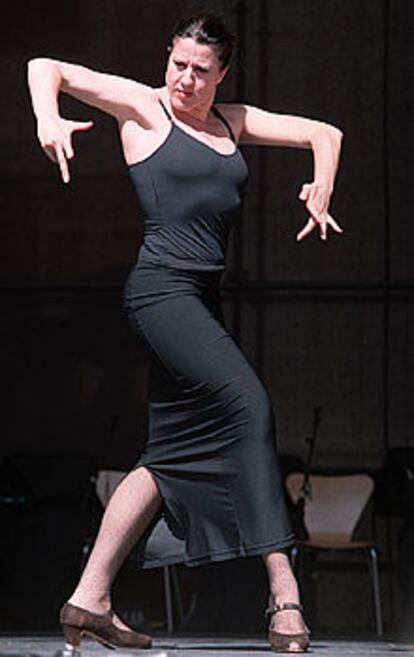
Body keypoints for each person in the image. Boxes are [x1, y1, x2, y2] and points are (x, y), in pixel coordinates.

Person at [27, 13, 343, 654]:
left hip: (201, 299)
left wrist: (322, 185)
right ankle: (285, 596)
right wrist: (47, 118)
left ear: (222, 73)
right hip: (160, 292)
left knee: (166, 455)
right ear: (166, 57)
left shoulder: (232, 120)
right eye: (178, 63)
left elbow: (324, 131)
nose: (185, 79)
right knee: (249, 405)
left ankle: (88, 599)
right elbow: (45, 67)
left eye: (202, 70)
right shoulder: (145, 109)